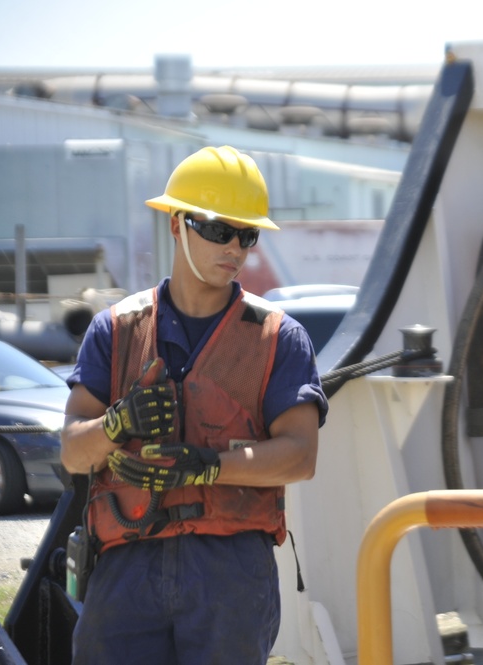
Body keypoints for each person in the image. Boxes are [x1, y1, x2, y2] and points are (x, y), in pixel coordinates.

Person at [60, 145, 327, 665]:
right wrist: (118, 422)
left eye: (246, 235)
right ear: (177, 225)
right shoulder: (114, 331)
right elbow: (72, 453)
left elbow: (300, 455)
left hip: (229, 572)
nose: (234, 247)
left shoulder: (279, 337)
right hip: (126, 566)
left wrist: (209, 467)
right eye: (217, 229)